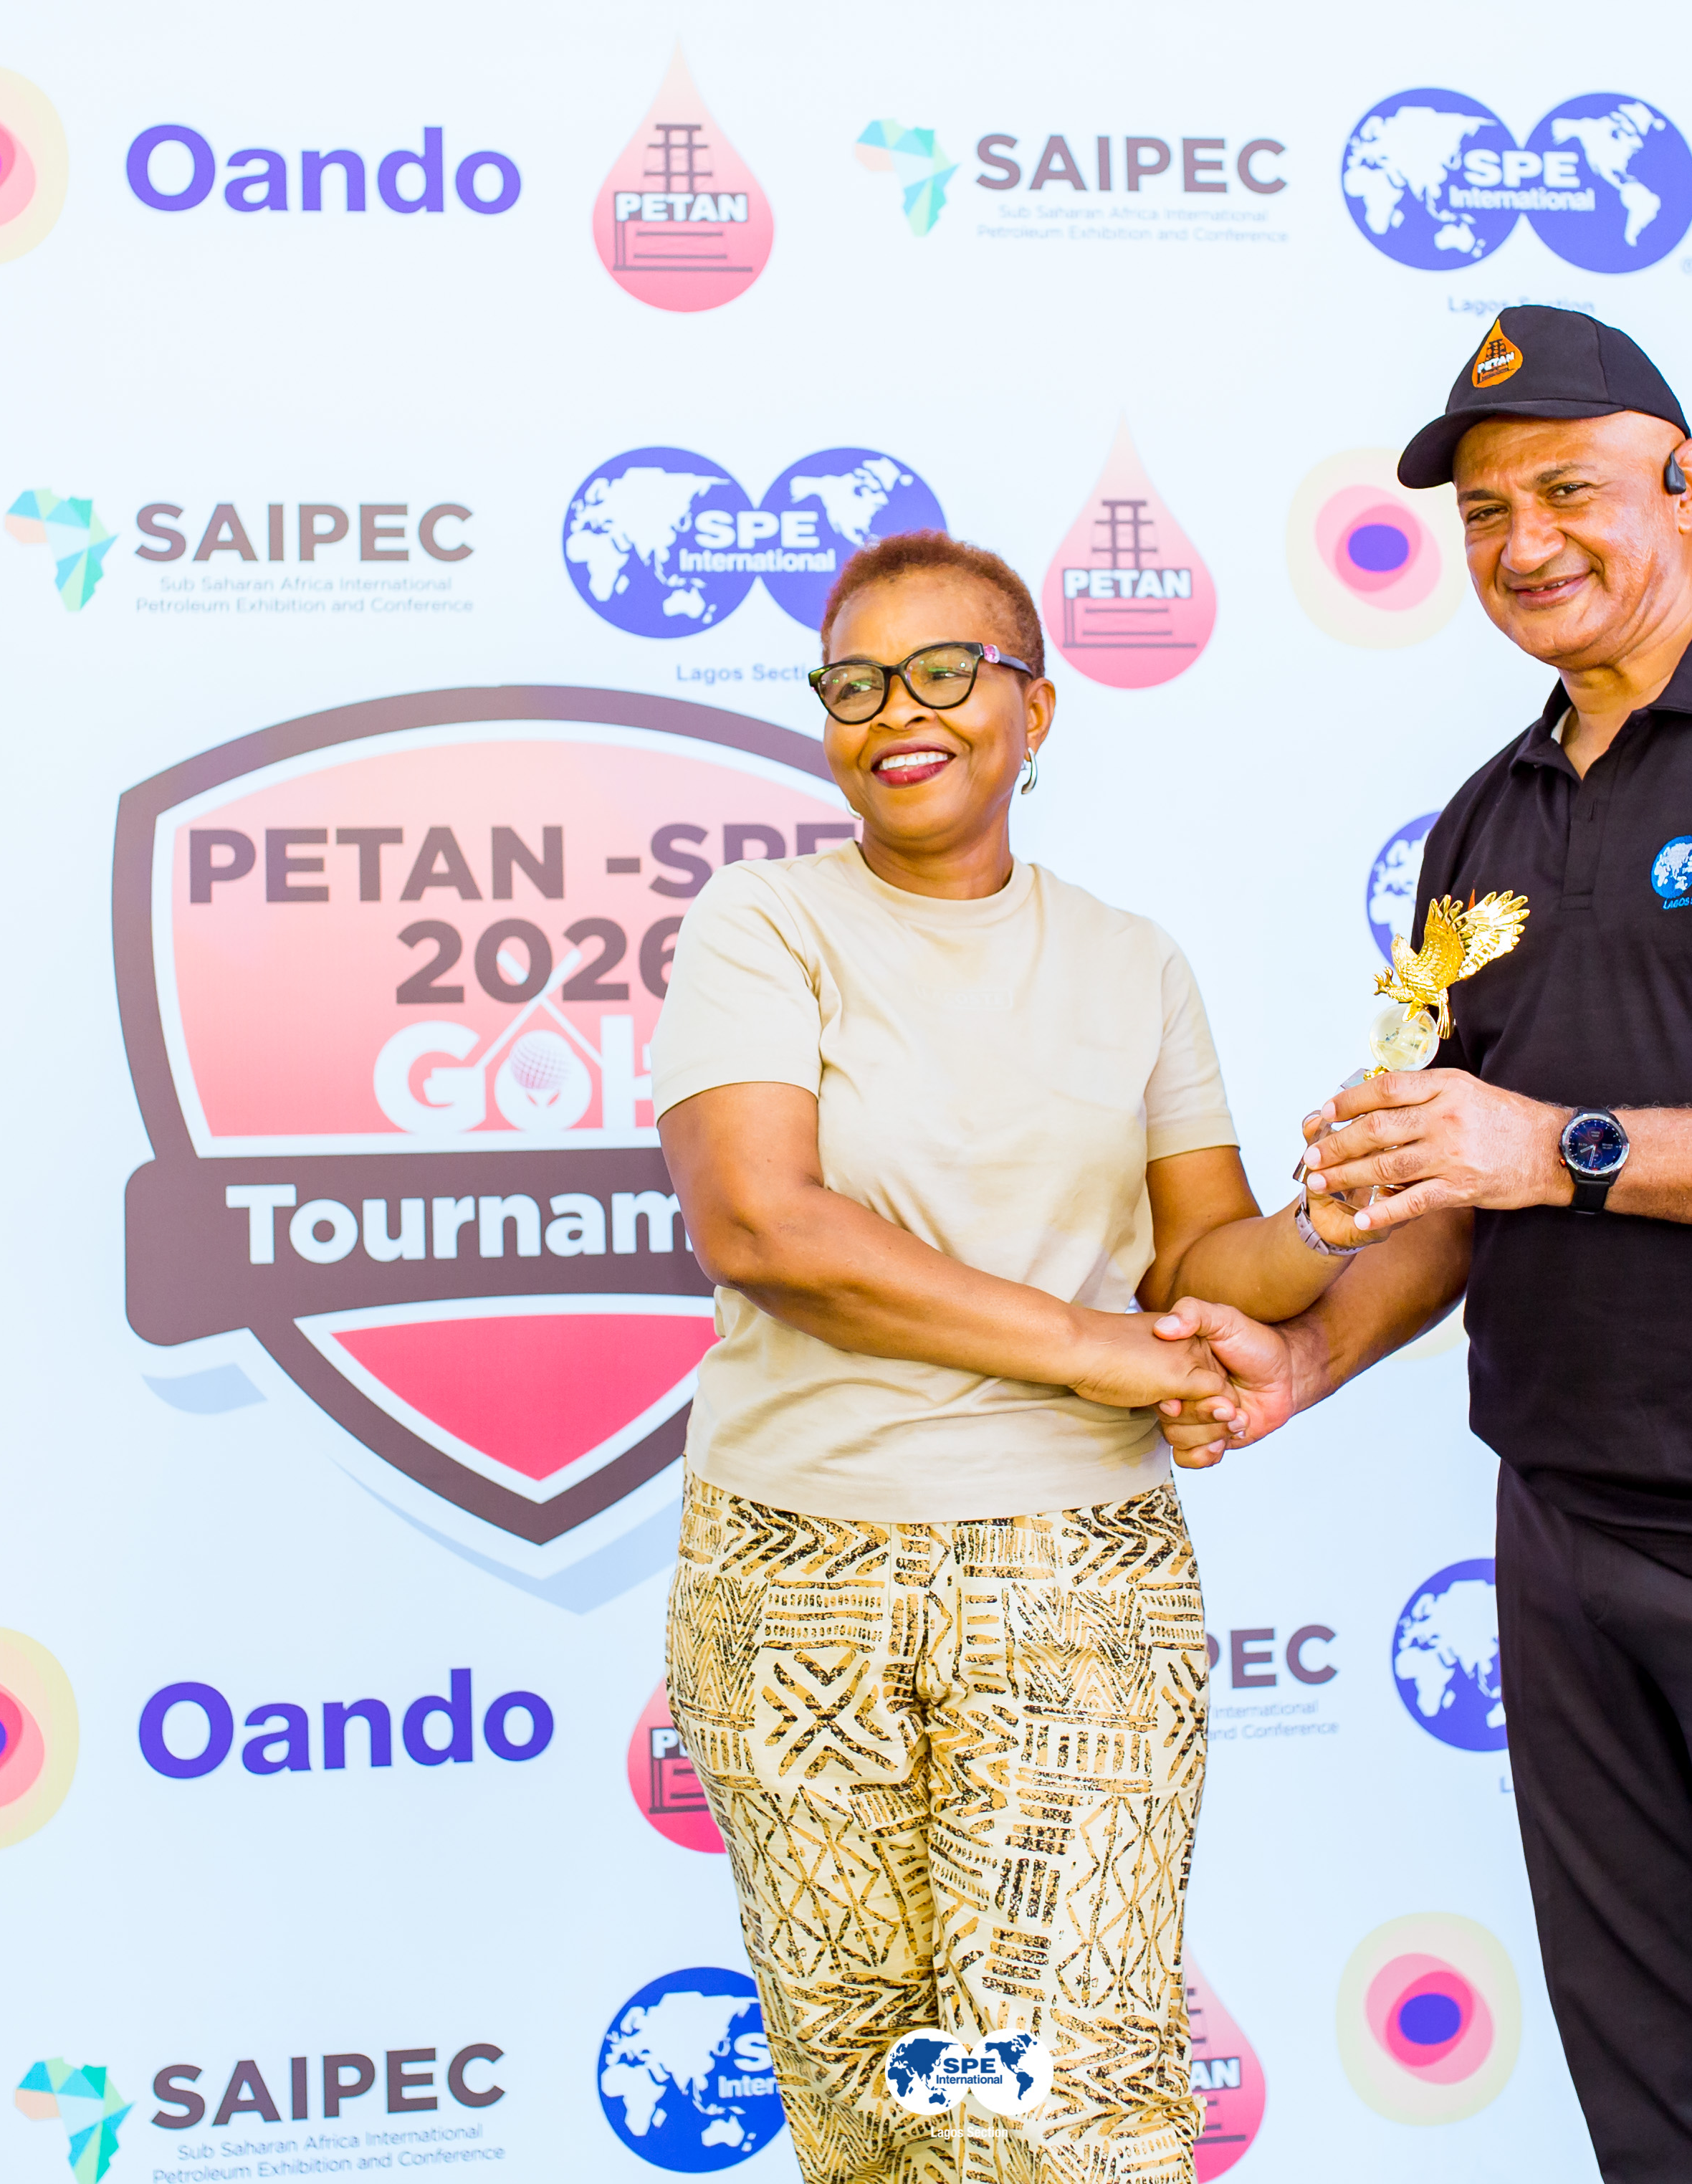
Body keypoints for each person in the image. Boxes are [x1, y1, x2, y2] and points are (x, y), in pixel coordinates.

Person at [1157, 308, 1692, 2184]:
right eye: (1484, 514)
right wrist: (1306, 1354)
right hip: (1565, 1526)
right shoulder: (1485, 822)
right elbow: (1454, 1189)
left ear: (1685, 482)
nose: (1524, 543)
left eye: (1567, 490)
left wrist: (1555, 1144)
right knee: (1664, 2105)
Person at [651, 530, 1392, 2183]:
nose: (895, 713)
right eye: (855, 684)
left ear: (1035, 709)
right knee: (871, 2115)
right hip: (791, 1581)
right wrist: (1091, 1348)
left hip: (1078, 1586)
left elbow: (1204, 1263)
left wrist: (1338, 1218)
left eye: (943, 673)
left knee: (1064, 2113)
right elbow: (763, 1224)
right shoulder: (763, 923)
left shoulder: (1133, 961)